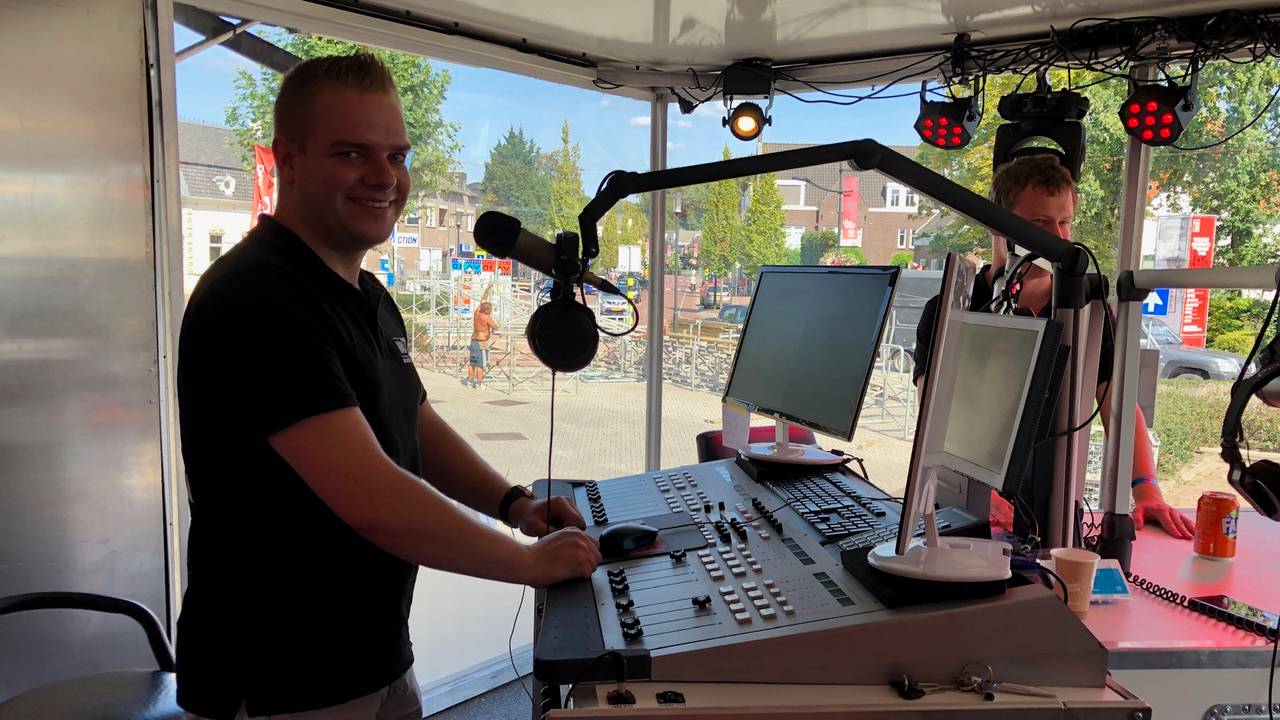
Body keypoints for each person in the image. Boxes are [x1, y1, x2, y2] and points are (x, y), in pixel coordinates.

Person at [175, 53, 601, 720]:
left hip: (372, 660)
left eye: (397, 155)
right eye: (352, 153)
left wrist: (514, 504)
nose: (384, 177)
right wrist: (529, 566)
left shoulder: (364, 292)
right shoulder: (258, 298)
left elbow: (415, 423)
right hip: (280, 682)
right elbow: (371, 498)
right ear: (287, 159)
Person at [914, 153, 1196, 541]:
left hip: (1057, 509)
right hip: (966, 511)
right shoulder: (951, 306)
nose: (1059, 238)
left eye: (1065, 222)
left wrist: (1145, 486)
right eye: (1040, 224)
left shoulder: (1087, 314)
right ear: (999, 225)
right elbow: (931, 414)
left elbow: (1116, 403)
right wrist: (973, 492)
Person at [466, 301, 499, 388]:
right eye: (491, 310)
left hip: (473, 341)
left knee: (472, 362)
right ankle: (479, 383)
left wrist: (487, 289)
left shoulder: (476, 313)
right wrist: (494, 323)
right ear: (487, 310)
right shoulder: (486, 317)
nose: (491, 311)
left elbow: (482, 300)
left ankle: (470, 381)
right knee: (480, 364)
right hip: (481, 342)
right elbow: (495, 326)